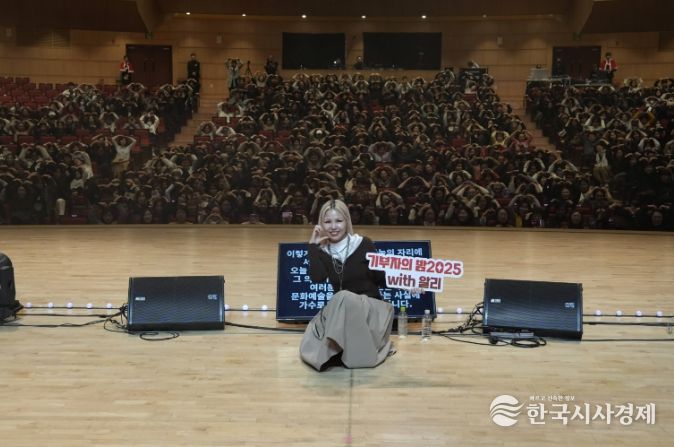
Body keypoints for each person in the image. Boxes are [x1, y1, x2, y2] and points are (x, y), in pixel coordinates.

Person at [300, 199, 395, 371]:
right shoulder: (322, 251)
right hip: (342, 313)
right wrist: (312, 247)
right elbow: (318, 278)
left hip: (369, 310)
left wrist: (409, 284)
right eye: (327, 222)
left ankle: (340, 351)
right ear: (321, 224)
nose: (333, 227)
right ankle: (337, 350)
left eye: (339, 221)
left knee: (343, 296)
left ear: (347, 222)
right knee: (340, 299)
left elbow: (382, 278)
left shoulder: (363, 244)